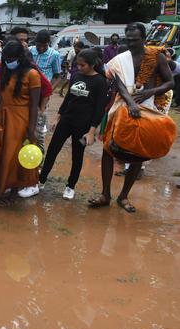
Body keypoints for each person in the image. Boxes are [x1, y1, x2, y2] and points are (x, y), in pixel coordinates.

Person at [88, 23, 174, 213]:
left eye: (135, 40)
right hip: (121, 107)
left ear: (143, 39)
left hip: (147, 109)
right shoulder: (120, 59)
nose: (131, 43)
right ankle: (105, 195)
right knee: (108, 149)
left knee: (138, 154)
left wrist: (149, 92)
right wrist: (131, 103)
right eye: (128, 39)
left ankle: (123, 196)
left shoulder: (156, 56)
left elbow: (170, 82)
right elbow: (119, 84)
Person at [0, 40, 41, 206]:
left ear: (20, 57)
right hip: (2, 116)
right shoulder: (7, 71)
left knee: (13, 157)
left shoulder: (32, 74)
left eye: (11, 58)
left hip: (21, 120)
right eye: (6, 58)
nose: (8, 61)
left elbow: (34, 105)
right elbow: (2, 94)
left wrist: (31, 129)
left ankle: (12, 194)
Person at [39, 49, 109, 200]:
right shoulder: (77, 76)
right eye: (77, 65)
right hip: (66, 120)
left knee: (77, 156)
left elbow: (99, 109)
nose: (78, 68)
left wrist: (91, 132)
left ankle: (70, 186)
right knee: (52, 150)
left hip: (83, 125)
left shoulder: (100, 82)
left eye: (82, 65)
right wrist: (57, 117)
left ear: (92, 65)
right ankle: (41, 180)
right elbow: (68, 98)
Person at [20, 30, 62, 198]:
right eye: (38, 45)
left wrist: (49, 88)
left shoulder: (54, 55)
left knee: (38, 131)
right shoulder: (29, 51)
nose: (40, 48)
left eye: (43, 45)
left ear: (48, 44)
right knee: (26, 128)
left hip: (43, 96)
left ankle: (38, 163)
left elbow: (58, 75)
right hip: (28, 94)